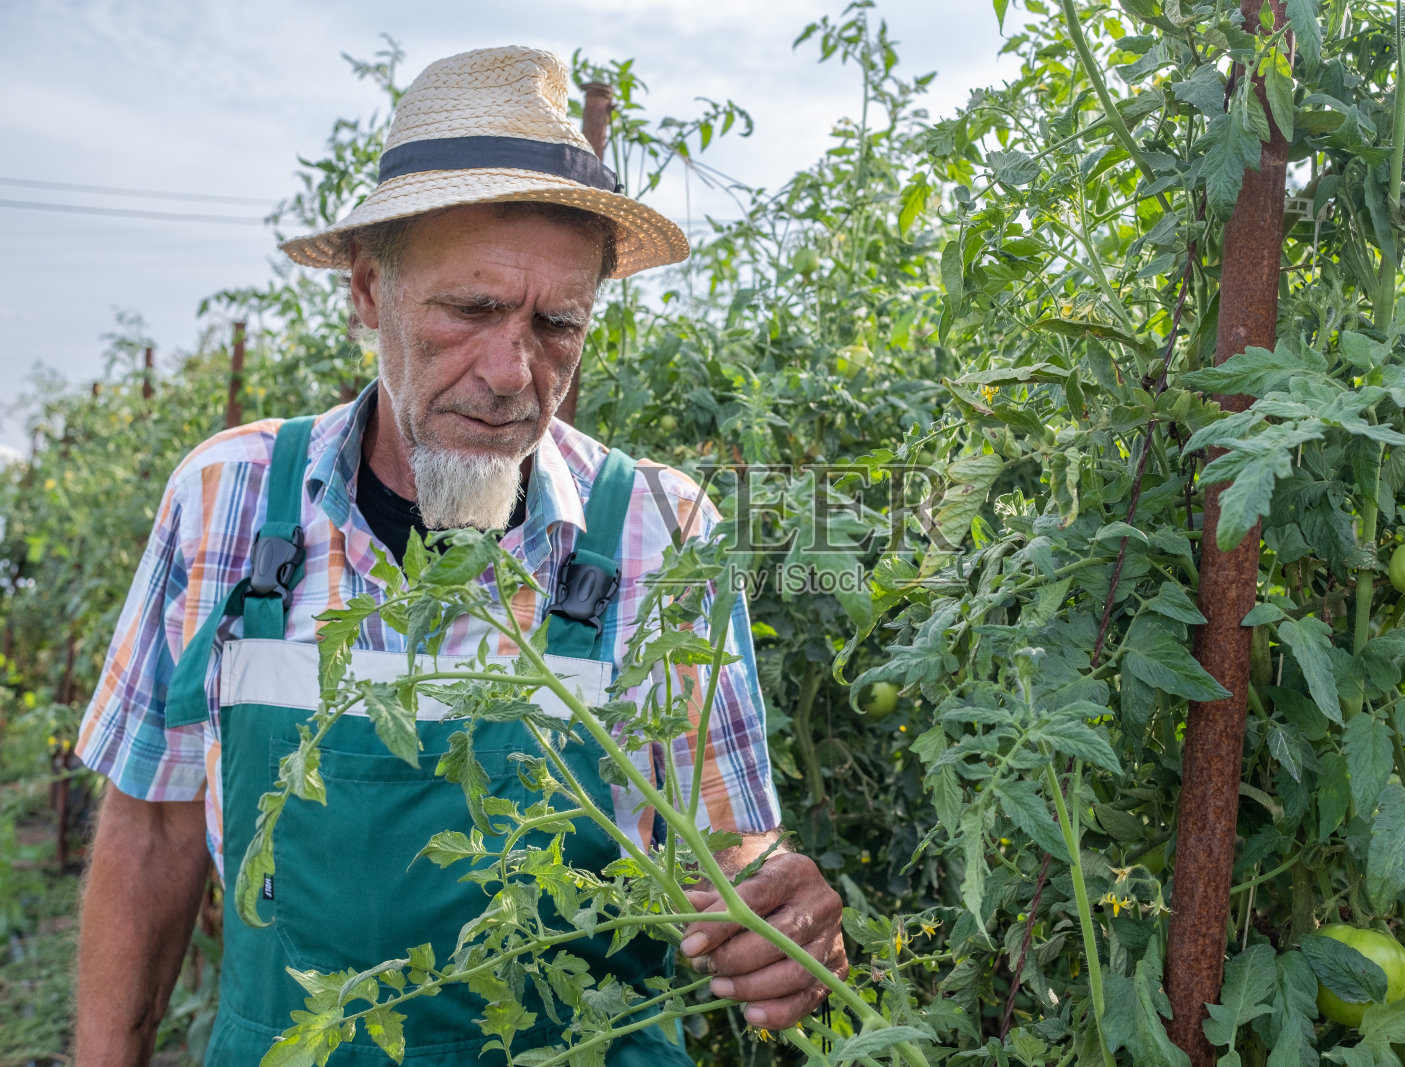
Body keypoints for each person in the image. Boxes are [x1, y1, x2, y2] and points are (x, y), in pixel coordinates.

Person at [73, 45, 845, 1065]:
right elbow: (153, 833)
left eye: (557, 323)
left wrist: (781, 910)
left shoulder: (663, 527)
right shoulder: (230, 498)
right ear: (366, 293)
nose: (511, 372)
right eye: (470, 310)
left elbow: (732, 840)